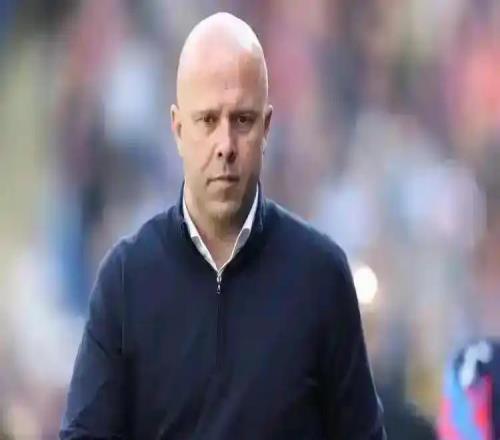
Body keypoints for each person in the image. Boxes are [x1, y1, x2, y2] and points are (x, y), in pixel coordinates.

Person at [60, 12, 385, 439]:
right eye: (208, 121)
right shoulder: (126, 279)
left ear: (266, 128)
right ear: (178, 129)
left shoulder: (321, 277)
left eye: (242, 120)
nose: (225, 145)